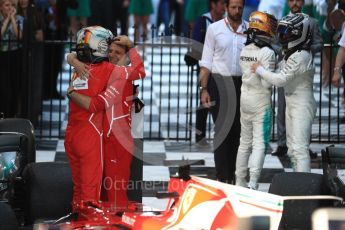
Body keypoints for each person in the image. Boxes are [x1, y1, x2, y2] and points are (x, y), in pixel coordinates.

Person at [67, 35, 146, 208]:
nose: (112, 55)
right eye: (110, 51)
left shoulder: (122, 75)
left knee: (115, 195)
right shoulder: (106, 70)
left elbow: (140, 71)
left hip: (118, 143)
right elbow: (75, 54)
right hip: (101, 140)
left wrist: (131, 46)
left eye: (118, 52)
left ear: (126, 57)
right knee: (99, 193)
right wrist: (74, 61)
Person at [252, 13, 316, 172]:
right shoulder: (293, 54)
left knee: (300, 149)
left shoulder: (301, 56)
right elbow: (278, 69)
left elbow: (280, 79)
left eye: (287, 32)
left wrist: (259, 69)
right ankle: (298, 182)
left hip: (302, 106)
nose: (282, 36)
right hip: (292, 104)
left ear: (298, 33)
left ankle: (304, 187)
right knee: (292, 149)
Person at [64, 26, 115, 213]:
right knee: (90, 196)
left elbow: (70, 55)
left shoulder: (78, 65)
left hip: (71, 134)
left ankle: (76, 222)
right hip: (90, 136)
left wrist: (72, 60)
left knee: (78, 191)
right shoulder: (108, 69)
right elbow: (134, 69)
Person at [199, 0, 247, 183]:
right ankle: (222, 176)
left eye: (240, 8)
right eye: (233, 7)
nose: (236, 11)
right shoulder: (215, 29)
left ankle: (233, 174)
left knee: (237, 130)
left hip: (241, 83)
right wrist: (204, 89)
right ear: (226, 8)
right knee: (221, 130)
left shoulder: (249, 30)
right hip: (218, 83)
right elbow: (206, 61)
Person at [272, 0, 323, 158]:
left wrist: (305, 47)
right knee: (282, 107)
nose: (295, 3)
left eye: (298, 0)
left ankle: (304, 144)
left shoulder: (312, 22)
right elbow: (274, 44)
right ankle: (282, 143)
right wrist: (285, 49)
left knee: (303, 107)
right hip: (285, 68)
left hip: (302, 71)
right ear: (288, 2)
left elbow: (319, 43)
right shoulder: (281, 21)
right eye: (292, 0)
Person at [235, 11, 278, 190]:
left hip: (245, 98)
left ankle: (239, 181)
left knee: (244, 143)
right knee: (260, 143)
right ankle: (253, 183)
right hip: (261, 100)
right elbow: (267, 83)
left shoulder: (245, 49)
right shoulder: (267, 52)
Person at [184, 0, 226, 146]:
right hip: (206, 67)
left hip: (222, 69)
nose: (224, 7)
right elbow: (195, 43)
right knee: (205, 102)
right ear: (213, 5)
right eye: (221, 4)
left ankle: (221, 134)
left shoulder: (227, 22)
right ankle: (200, 136)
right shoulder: (203, 21)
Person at [0, 0, 24, 118]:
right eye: (6, 5)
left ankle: (12, 114)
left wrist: (12, 19)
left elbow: (19, 36)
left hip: (15, 55)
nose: (9, 8)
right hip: (2, 56)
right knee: (4, 87)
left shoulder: (19, 18)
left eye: (12, 5)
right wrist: (6, 21)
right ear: (1, 7)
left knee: (15, 86)